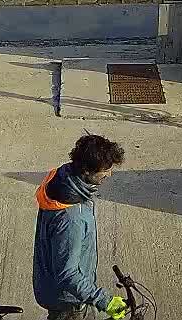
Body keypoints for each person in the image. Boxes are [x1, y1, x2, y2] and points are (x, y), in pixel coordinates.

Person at [32, 135, 129, 320]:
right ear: (86, 170)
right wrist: (104, 300)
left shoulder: (65, 182)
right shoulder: (71, 218)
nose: (109, 174)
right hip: (69, 304)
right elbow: (67, 274)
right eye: (105, 170)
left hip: (63, 293)